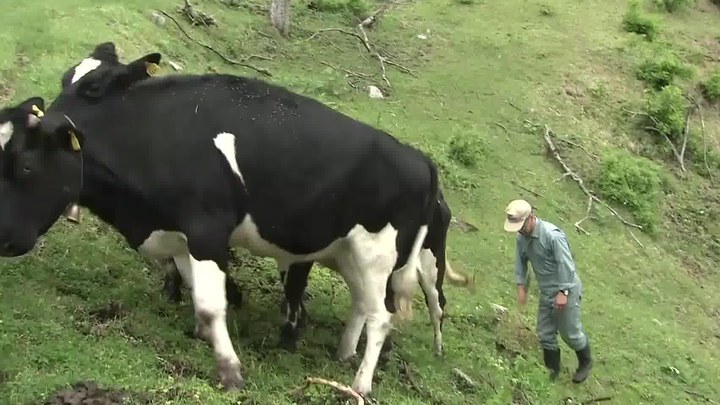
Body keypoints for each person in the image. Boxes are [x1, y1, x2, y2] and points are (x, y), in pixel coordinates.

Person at [503, 198, 593, 383]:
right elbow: (521, 261)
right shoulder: (522, 237)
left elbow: (566, 265)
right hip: (546, 291)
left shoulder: (552, 236)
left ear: (531, 218)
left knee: (570, 333)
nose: (519, 230)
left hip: (566, 289)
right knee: (545, 332)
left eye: (521, 225)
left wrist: (564, 293)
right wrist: (521, 285)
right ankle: (552, 372)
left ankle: (586, 362)